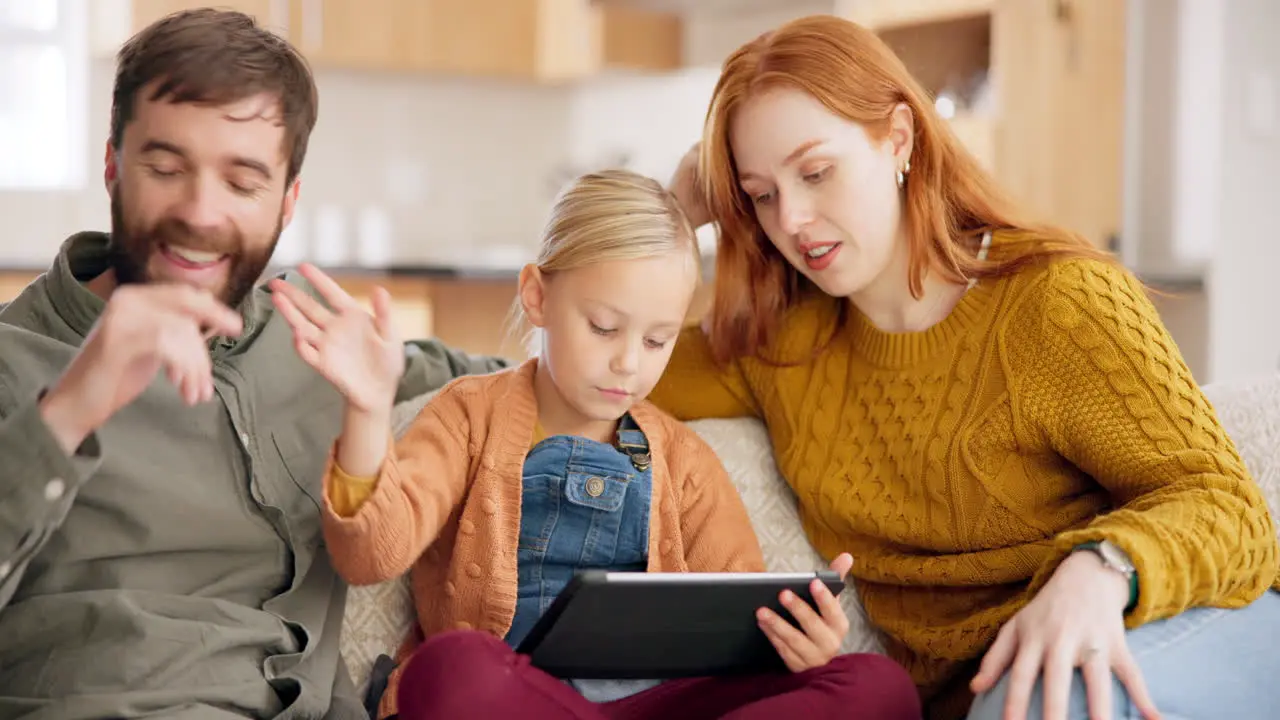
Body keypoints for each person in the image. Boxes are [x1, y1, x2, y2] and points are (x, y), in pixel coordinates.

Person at [649, 14, 1280, 720]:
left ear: (898, 139)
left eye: (816, 172)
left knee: (1045, 695)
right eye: (761, 194)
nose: (791, 218)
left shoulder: (1055, 302)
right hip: (1001, 694)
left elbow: (1230, 506)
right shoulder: (781, 345)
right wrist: (671, 212)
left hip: (1178, 623)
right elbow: (596, 359)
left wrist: (1099, 570)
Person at [269, 168, 923, 720]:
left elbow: (737, 618)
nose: (628, 365)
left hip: (655, 704)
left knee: (879, 688)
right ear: (537, 296)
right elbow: (369, 555)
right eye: (605, 328)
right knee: (450, 667)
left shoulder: (683, 462)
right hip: (517, 696)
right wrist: (367, 408)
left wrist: (796, 635)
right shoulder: (469, 416)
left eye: (658, 340)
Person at [0, 9, 506, 720]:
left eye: (242, 183)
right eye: (166, 167)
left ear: (287, 201)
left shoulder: (313, 337)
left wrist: (680, 217)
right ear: (112, 164)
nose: (201, 212)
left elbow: (548, 380)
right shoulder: (13, 359)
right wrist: (67, 412)